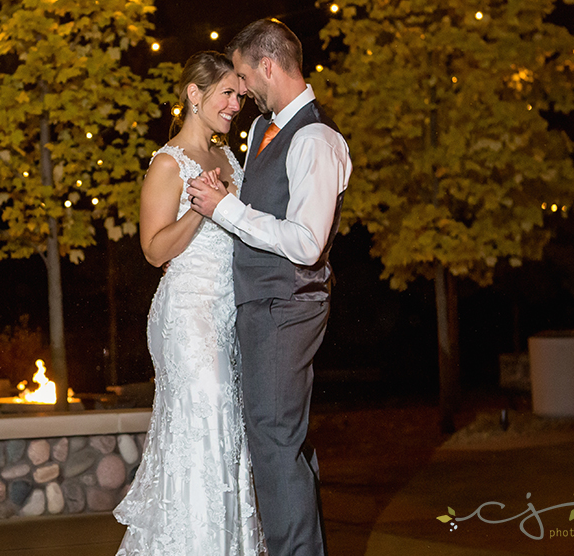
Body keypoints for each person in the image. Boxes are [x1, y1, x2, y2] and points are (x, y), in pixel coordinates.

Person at [186, 18, 352, 556]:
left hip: (288, 304)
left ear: (268, 66)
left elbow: (306, 243)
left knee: (274, 441)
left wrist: (227, 209)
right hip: (260, 304)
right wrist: (228, 195)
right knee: (281, 442)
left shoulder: (317, 140)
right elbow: (263, 210)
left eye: (241, 75)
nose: (240, 91)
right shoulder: (264, 131)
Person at [112, 51, 265, 556]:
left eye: (240, 95)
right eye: (227, 92)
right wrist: (202, 209)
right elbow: (154, 250)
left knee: (229, 434)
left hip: (230, 313)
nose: (236, 104)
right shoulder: (167, 163)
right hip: (189, 313)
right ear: (194, 95)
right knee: (205, 426)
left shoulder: (230, 158)